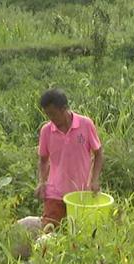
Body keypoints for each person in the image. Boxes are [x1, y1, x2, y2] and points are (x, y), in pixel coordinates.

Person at [35, 88, 104, 229]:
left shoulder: (85, 124)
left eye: (53, 114)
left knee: (80, 235)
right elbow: (43, 160)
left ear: (64, 109)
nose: (51, 119)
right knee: (49, 235)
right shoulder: (46, 131)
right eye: (48, 115)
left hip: (81, 193)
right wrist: (42, 182)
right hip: (55, 193)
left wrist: (95, 179)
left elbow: (98, 153)